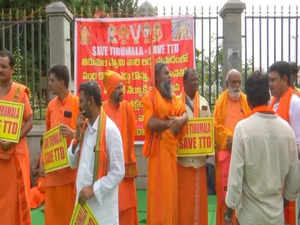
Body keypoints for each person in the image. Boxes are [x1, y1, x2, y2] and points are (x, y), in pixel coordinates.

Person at [225, 71, 300, 225]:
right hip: (276, 216)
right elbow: (294, 179)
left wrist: (228, 212)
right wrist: (282, 203)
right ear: (268, 97)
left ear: (249, 101)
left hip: (249, 217)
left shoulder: (243, 129)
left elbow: (235, 179)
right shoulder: (286, 130)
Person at [68, 81, 125, 225]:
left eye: (81, 101)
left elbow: (118, 172)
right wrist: (77, 136)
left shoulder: (110, 130)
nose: (79, 106)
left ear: (91, 101)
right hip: (83, 205)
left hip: (102, 208)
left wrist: (94, 189)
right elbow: (72, 162)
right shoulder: (84, 128)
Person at [141, 63, 188, 225]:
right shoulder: (151, 97)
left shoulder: (174, 98)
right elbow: (150, 123)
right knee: (160, 197)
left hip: (172, 154)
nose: (170, 76)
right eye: (166, 73)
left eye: (170, 73)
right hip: (158, 156)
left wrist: (180, 120)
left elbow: (185, 114)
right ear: (156, 78)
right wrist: (171, 124)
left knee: (170, 197)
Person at [213, 69, 251, 225]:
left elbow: (251, 122)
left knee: (243, 195)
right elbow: (215, 126)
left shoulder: (246, 100)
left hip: (244, 153)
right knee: (224, 197)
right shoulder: (220, 102)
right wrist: (231, 137)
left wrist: (237, 140)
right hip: (225, 154)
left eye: (238, 82)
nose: (236, 86)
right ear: (227, 83)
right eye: (233, 82)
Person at [0, 49, 33, 225]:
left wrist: (13, 139)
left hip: (15, 158)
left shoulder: (20, 92)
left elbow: (30, 121)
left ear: (12, 69)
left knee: (17, 201)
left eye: (4, 67)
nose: (0, 70)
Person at [44, 65, 79, 225]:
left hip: (70, 170)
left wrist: (72, 133)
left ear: (62, 82)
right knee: (53, 213)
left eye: (52, 80)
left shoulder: (78, 103)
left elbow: (88, 132)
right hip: (53, 170)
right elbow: (47, 135)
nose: (49, 84)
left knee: (69, 214)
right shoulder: (51, 106)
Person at [103, 70, 138, 225]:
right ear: (110, 90)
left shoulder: (127, 108)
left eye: (122, 87)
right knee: (111, 207)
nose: (121, 91)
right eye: (118, 88)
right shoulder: (102, 109)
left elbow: (131, 136)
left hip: (124, 167)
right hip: (108, 168)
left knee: (128, 206)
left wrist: (130, 162)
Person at [177, 68, 211, 225]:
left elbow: (209, 129)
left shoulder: (204, 103)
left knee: (199, 200)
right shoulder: (176, 102)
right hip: (182, 162)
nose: (196, 82)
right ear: (184, 82)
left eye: (197, 79)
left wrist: (208, 148)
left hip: (199, 162)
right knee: (183, 200)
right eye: (192, 80)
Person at [268, 61, 300, 225]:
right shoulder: (272, 103)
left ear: (285, 79)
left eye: (274, 80)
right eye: (269, 80)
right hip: (272, 173)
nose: (270, 84)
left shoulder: (295, 103)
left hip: (287, 174)